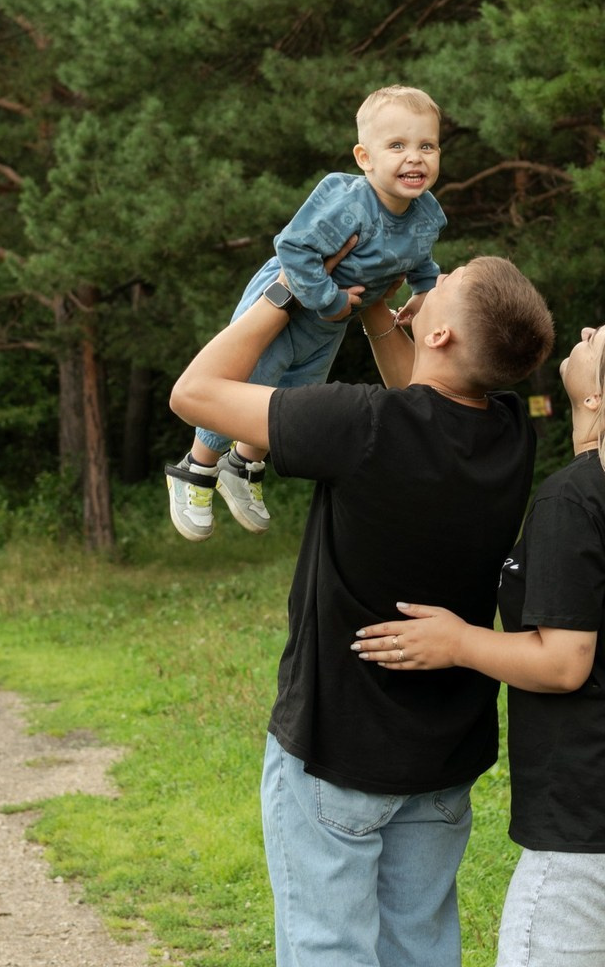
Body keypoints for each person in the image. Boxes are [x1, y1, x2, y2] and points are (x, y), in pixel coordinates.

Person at [169, 250, 555, 967]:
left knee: (329, 949)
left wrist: (283, 293)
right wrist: (376, 306)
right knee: (421, 950)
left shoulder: (360, 425)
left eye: (447, 283)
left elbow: (194, 393)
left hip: (336, 749)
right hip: (443, 758)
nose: (433, 280)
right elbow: (428, 402)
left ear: (439, 335)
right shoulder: (509, 433)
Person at [352, 309, 605, 967]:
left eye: (598, 338)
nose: (583, 333)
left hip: (601, 816)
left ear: (599, 397)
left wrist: (457, 642)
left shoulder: (575, 499)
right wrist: (386, 322)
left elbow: (563, 662)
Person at [164, 84, 447, 541]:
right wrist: (331, 301)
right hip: (292, 298)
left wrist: (425, 292)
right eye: (397, 145)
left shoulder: (426, 214)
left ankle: (243, 465)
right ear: (365, 158)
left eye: (426, 146)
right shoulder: (348, 202)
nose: (414, 157)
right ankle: (196, 468)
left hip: (331, 323)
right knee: (250, 380)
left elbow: (420, 260)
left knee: (293, 394)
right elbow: (293, 248)